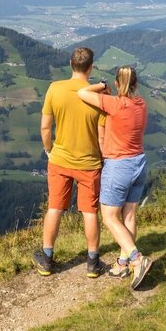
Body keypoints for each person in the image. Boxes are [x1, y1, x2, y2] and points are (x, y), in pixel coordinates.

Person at [34, 47, 108, 278]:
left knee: (55, 207)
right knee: (89, 212)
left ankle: (47, 259)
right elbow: (102, 135)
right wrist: (103, 159)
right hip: (89, 163)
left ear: (70, 64)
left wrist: (49, 150)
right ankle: (93, 263)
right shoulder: (98, 97)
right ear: (91, 67)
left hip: (59, 160)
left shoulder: (55, 89)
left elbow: (46, 127)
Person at [77, 65, 152, 290]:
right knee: (128, 215)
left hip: (118, 165)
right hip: (139, 163)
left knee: (109, 217)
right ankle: (122, 263)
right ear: (136, 84)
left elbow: (82, 93)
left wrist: (101, 86)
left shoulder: (114, 104)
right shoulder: (141, 104)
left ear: (117, 84)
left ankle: (138, 259)